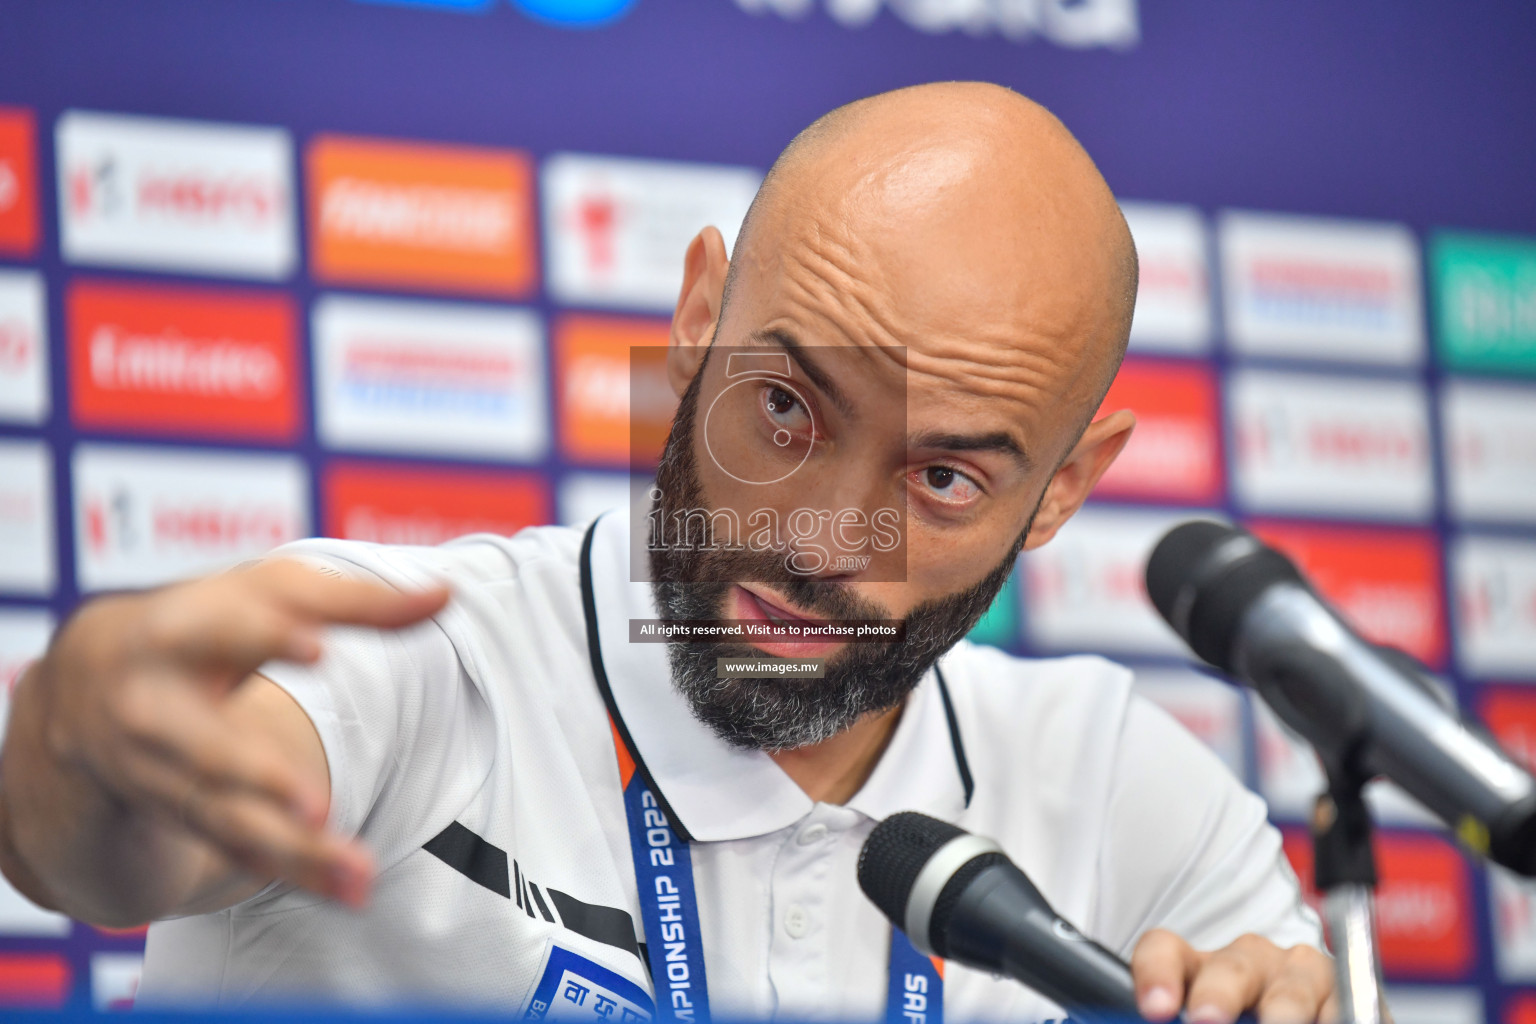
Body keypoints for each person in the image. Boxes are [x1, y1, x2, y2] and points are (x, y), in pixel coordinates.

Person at [0, 83, 1335, 1023]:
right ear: (700, 318)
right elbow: (107, 850)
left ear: (1061, 492)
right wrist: (75, 743)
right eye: (786, 408)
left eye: (940, 476)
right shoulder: (418, 654)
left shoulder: (1127, 793)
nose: (820, 538)